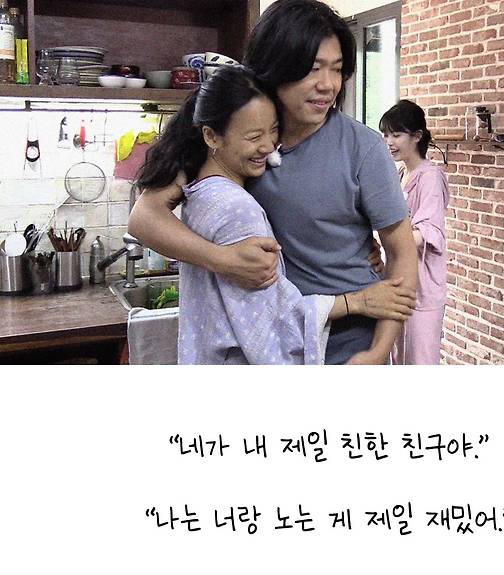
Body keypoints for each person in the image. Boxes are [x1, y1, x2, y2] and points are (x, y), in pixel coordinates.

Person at [129, 0, 417, 365]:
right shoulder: (235, 136)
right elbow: (145, 218)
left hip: (347, 345)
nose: (327, 85)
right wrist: (223, 260)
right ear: (276, 66)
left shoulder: (363, 148)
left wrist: (377, 352)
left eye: (337, 69)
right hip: (267, 346)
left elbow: (402, 253)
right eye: (313, 69)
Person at [380, 100, 450, 365]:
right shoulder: (401, 174)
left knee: (421, 360)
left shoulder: (430, 176)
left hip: (423, 286)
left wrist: (385, 237)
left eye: (396, 134)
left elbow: (427, 232)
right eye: (386, 134)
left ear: (417, 136)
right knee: (398, 359)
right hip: (399, 283)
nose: (389, 142)